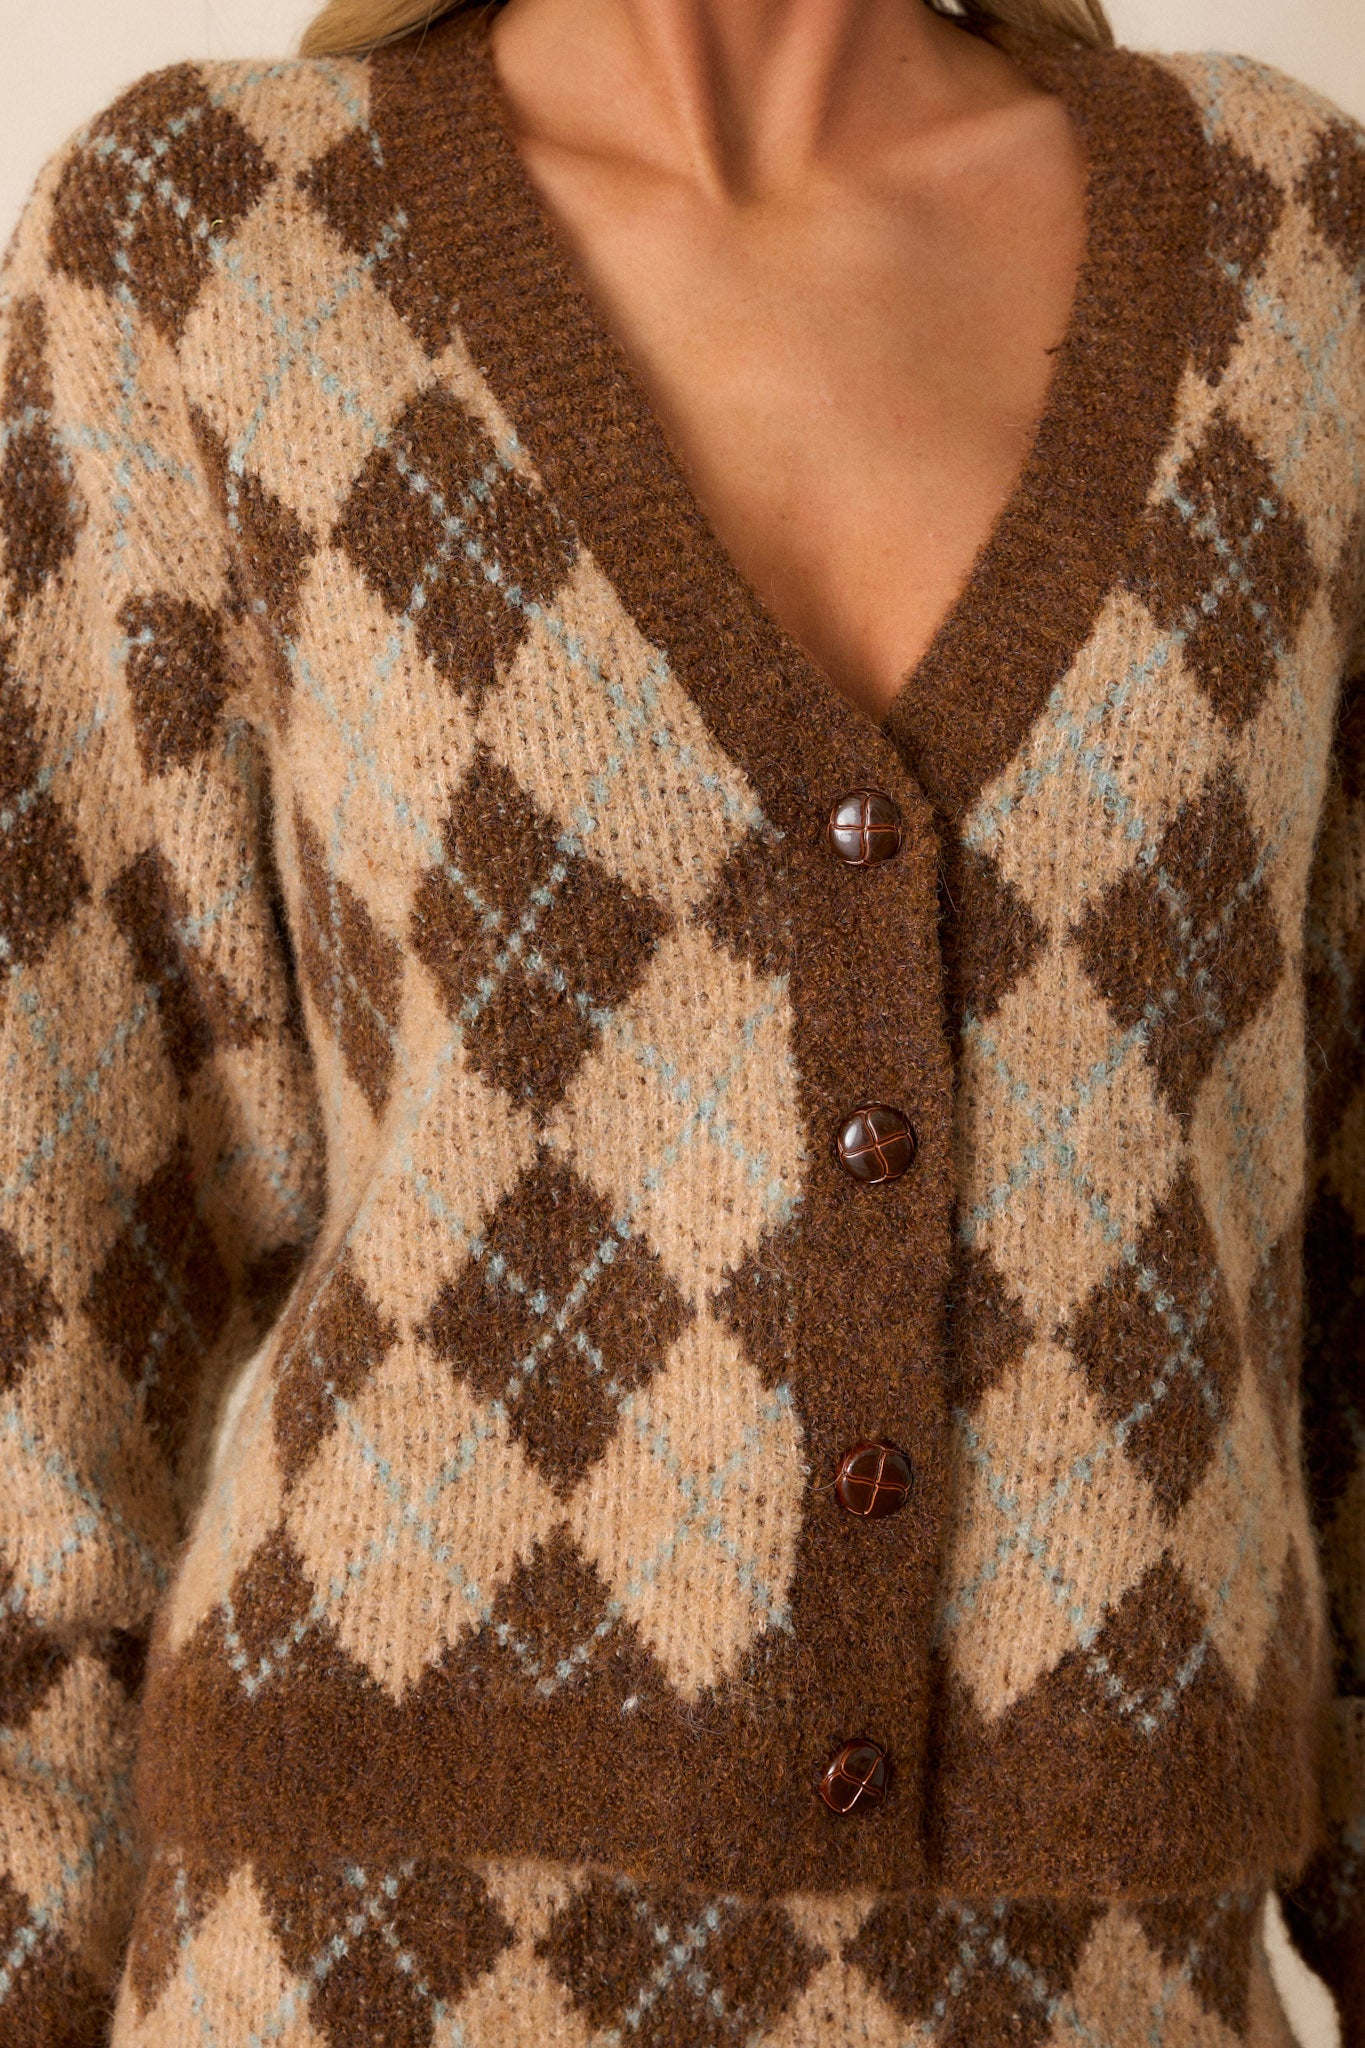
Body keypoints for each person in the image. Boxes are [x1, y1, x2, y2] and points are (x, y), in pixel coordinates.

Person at [0, 0, 1360, 2040]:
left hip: (1105, 1981)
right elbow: (45, 1236)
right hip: (349, 1965)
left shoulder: (1289, 250)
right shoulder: (209, 234)